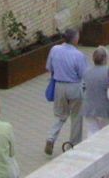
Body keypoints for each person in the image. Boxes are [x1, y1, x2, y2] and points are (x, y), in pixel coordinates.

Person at [44, 27, 88, 155]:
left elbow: (49, 67)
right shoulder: (78, 55)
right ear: (75, 39)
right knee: (76, 116)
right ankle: (74, 145)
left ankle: (50, 138)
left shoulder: (55, 49)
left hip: (59, 87)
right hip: (74, 87)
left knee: (60, 115)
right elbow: (84, 74)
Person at [81, 46, 109, 136]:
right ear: (105, 59)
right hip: (105, 108)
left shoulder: (86, 71)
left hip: (89, 108)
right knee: (106, 131)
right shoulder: (108, 71)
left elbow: (83, 88)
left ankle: (91, 148)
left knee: (92, 130)